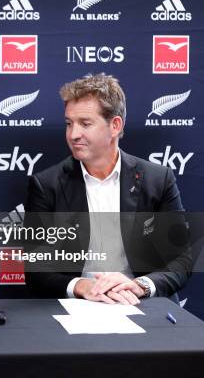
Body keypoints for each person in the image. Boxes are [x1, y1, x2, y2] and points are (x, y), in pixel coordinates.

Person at [24, 73, 191, 304]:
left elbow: (181, 259)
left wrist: (140, 286)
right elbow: (34, 268)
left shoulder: (157, 179)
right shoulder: (46, 184)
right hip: (78, 307)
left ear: (115, 125)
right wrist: (81, 286)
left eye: (85, 123)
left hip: (143, 304)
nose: (73, 134)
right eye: (69, 124)